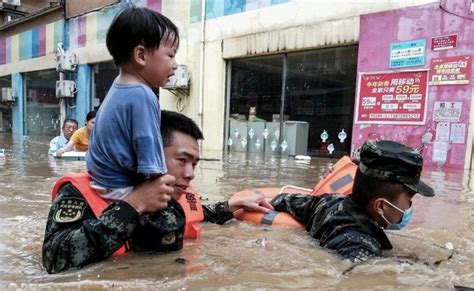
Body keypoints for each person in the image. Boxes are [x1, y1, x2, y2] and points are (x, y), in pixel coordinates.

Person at [42, 110, 273, 274]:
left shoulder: (174, 192)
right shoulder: (82, 193)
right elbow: (54, 260)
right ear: (146, 152)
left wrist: (229, 206)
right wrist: (133, 206)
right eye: (182, 160)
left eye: (195, 163)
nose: (191, 173)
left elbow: (198, 214)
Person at [267, 139, 435, 262]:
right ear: (380, 206)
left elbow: (283, 200)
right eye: (409, 200)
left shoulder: (328, 201)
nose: (409, 207)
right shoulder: (361, 247)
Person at [85, 6, 179, 201]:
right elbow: (151, 160)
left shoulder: (118, 88)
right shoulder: (143, 95)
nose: (175, 64)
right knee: (175, 212)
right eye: (170, 55)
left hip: (102, 183)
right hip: (122, 190)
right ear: (141, 56)